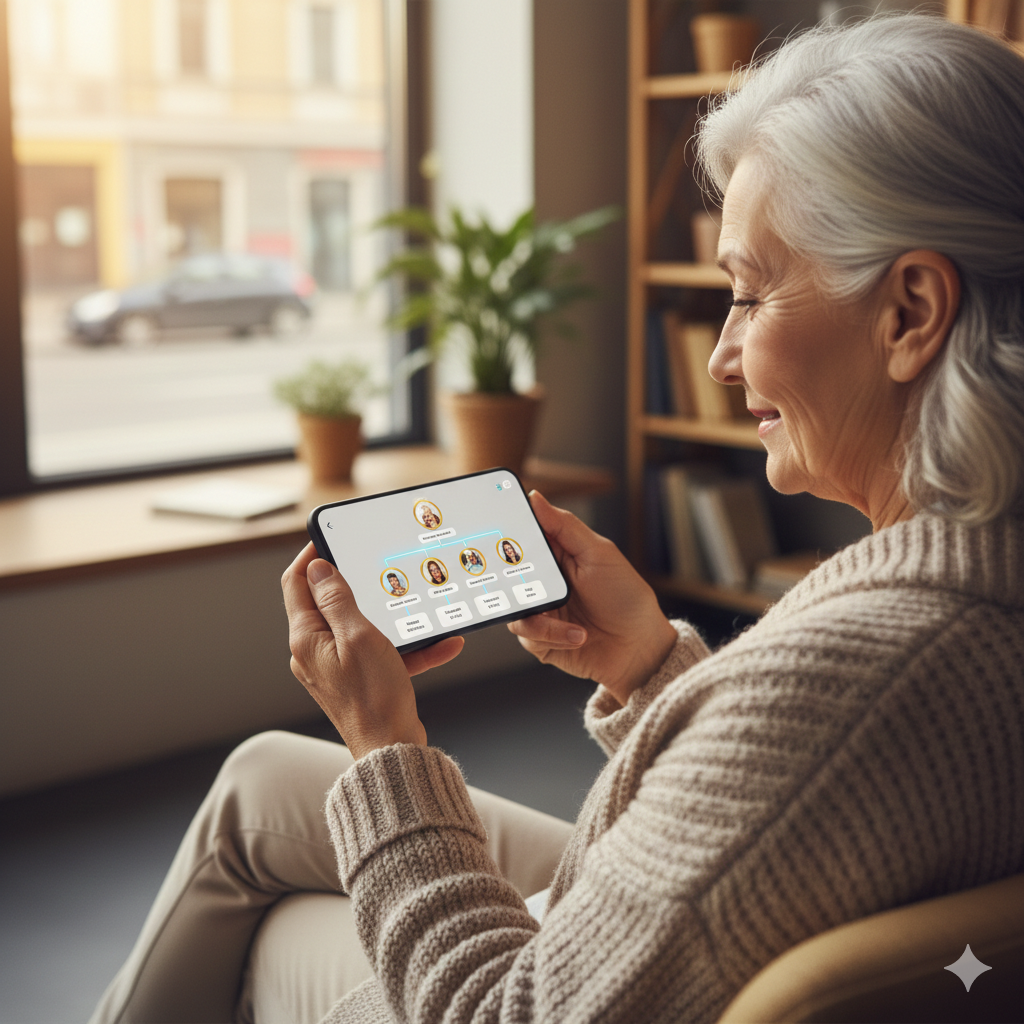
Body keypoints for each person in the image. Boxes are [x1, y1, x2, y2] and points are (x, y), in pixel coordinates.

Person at [91, 14, 1024, 1024]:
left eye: (751, 294)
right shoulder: (975, 587)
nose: (719, 357)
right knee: (262, 777)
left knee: (262, 926)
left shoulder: (863, 679)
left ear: (910, 313)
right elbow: (796, 820)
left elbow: (508, 1012)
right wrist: (647, 666)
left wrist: (381, 736)